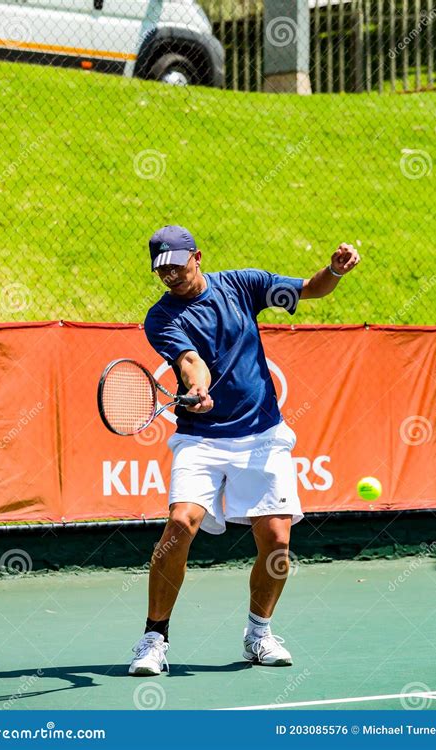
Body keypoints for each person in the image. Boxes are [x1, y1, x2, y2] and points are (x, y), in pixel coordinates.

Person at [129, 224, 361, 676]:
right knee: (179, 524)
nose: (169, 276)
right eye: (161, 270)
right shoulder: (161, 318)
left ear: (197, 256)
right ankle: (154, 638)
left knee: (276, 541)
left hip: (262, 436)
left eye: (176, 265)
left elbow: (311, 290)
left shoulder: (243, 285)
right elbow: (189, 361)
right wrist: (199, 388)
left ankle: (259, 633)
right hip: (200, 437)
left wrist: (334, 271)